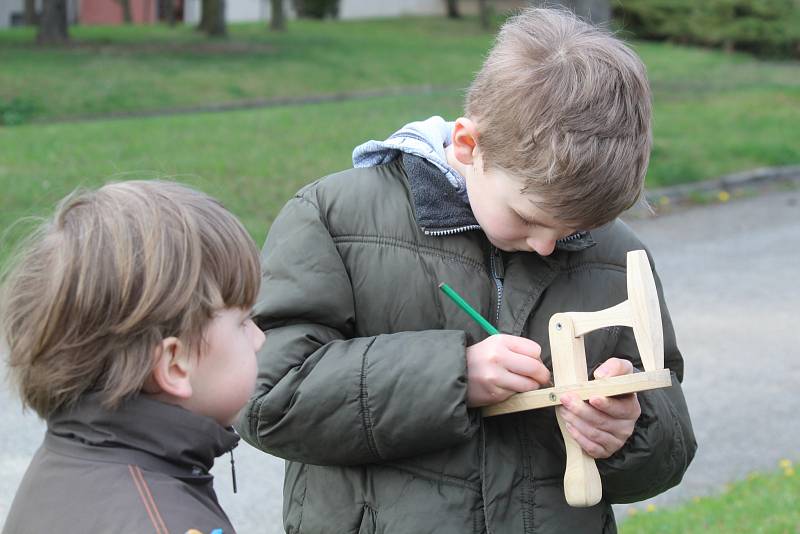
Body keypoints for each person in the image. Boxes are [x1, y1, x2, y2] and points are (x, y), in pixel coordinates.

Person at [237, 7, 696, 533]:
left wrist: (627, 432)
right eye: (527, 218)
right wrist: (453, 376)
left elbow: (670, 441)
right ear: (468, 145)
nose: (548, 246)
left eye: (572, 228)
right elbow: (268, 399)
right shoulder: (334, 218)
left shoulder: (613, 254)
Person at [1, 181, 265, 534]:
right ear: (175, 364)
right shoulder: (167, 523)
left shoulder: (65, 461)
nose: (259, 339)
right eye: (243, 322)